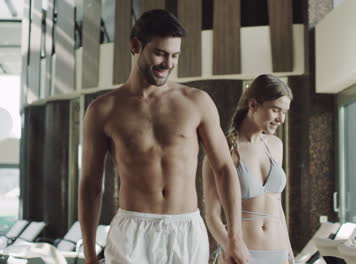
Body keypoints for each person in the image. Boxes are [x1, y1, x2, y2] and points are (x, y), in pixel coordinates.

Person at [78, 9, 249, 264]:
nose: (168, 63)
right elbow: (91, 184)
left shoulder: (196, 102)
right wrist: (90, 255)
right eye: (160, 53)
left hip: (186, 230)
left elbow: (224, 168)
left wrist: (235, 238)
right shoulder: (103, 110)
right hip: (132, 232)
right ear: (136, 46)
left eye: (174, 55)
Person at [203, 74, 294, 264]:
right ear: (253, 105)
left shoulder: (276, 146)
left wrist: (289, 252)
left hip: (278, 253)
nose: (281, 119)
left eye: (284, 112)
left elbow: (277, 206)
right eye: (276, 110)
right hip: (241, 256)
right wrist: (232, 248)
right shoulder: (223, 151)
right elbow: (212, 215)